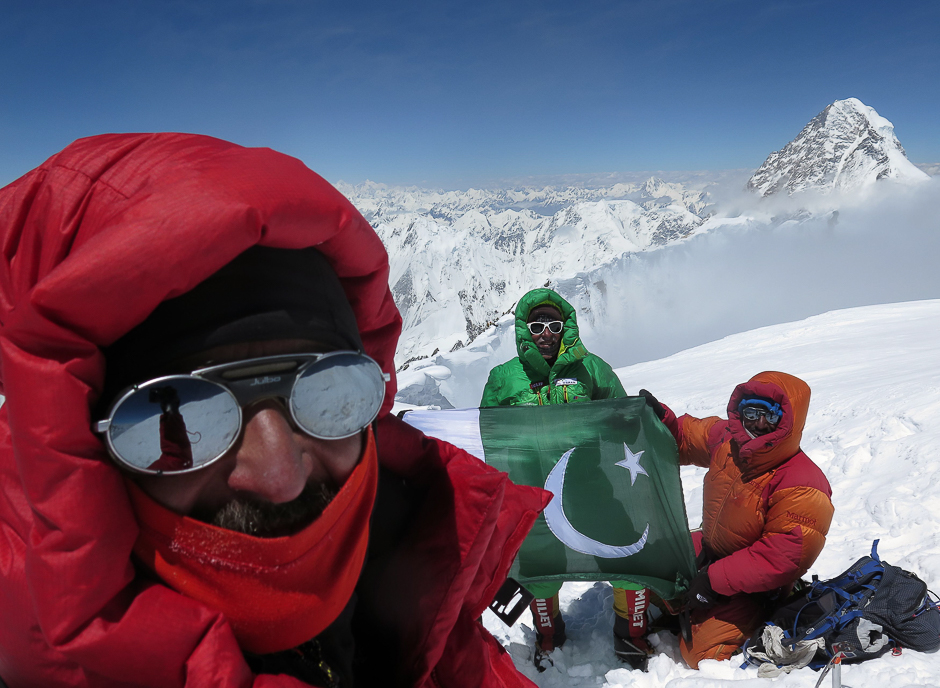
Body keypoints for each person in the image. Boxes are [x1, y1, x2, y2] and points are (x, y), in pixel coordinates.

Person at [0, 133, 549, 687]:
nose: (279, 476)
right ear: (80, 448)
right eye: (179, 416)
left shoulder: (414, 589)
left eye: (330, 390)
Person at [480, 289, 654, 671]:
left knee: (628, 554)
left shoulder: (591, 369)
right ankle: (549, 634)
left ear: (566, 328)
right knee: (541, 569)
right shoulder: (503, 379)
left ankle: (631, 635)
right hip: (532, 491)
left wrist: (643, 419)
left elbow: (621, 413)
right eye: (537, 324)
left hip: (589, 485)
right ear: (525, 329)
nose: (546, 332)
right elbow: (486, 433)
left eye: (554, 325)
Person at [650, 371, 834, 668]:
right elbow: (684, 438)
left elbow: (782, 557)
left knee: (699, 655)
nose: (758, 424)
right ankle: (686, 606)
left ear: (789, 421)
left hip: (756, 587)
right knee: (646, 565)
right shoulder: (727, 439)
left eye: (771, 416)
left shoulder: (803, 483)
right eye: (751, 412)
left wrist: (712, 582)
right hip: (712, 549)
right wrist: (660, 420)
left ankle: (755, 620)